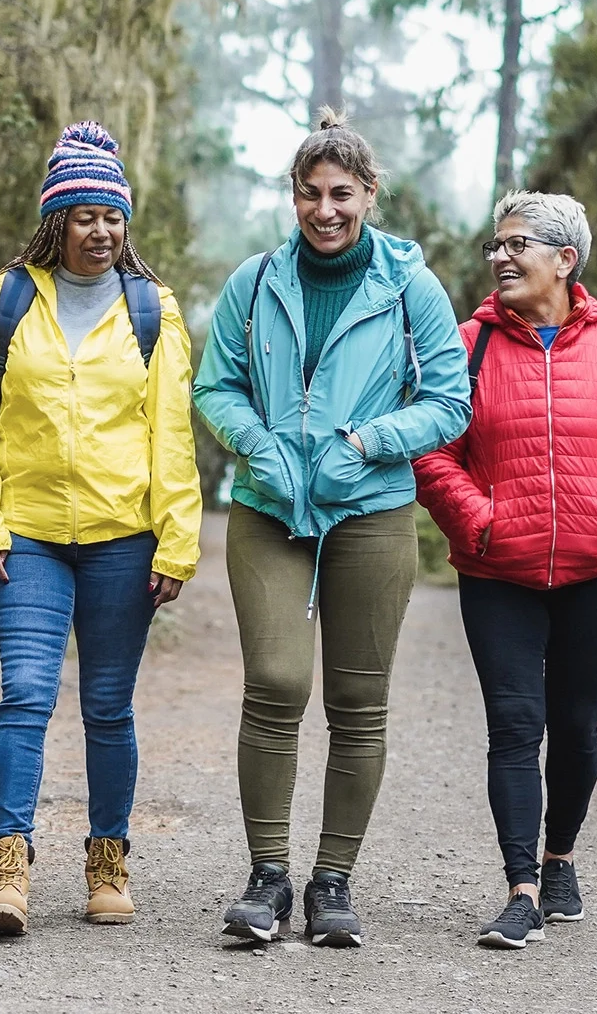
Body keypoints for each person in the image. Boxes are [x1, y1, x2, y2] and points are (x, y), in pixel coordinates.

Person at [191, 111, 471, 947]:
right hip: (272, 507)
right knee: (276, 682)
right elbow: (216, 387)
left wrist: (369, 444)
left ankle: (333, 882)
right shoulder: (254, 281)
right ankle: (268, 877)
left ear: (369, 195)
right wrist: (258, 443)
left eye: (341, 194)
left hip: (372, 510)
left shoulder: (410, 286)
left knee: (358, 700)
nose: (325, 210)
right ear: (292, 196)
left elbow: (450, 401)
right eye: (310, 194)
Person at [0, 122, 203, 936]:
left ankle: (107, 859)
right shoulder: (12, 296)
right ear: (57, 221)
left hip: (123, 538)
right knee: (24, 695)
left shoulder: (150, 309)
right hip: (27, 534)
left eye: (113, 218)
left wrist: (178, 539)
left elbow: (170, 435)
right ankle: (9, 864)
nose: (100, 232)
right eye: (85, 216)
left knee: (106, 705)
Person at [413, 191, 597, 950]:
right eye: (494, 246)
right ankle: (520, 890)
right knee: (513, 726)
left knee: (574, 726)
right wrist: (479, 519)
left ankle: (559, 857)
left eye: (517, 244)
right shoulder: (466, 344)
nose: (499, 257)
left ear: (566, 260)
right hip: (498, 571)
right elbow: (434, 451)